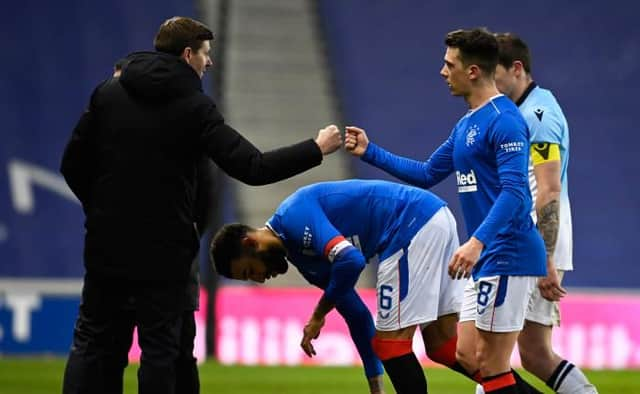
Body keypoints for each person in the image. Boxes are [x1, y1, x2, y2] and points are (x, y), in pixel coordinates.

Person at [60, 16, 342, 394]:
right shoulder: (195, 108)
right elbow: (252, 167)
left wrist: (101, 212)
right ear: (188, 54)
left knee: (94, 344)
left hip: (106, 246)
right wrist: (316, 148)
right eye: (206, 54)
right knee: (161, 351)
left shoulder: (107, 94)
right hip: (164, 253)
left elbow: (72, 165)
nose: (210, 62)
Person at [345, 28, 554, 394]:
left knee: (491, 368)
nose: (443, 72)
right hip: (488, 258)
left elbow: (514, 191)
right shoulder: (467, 124)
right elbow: (427, 172)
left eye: (449, 64)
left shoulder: (504, 120)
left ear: (472, 71)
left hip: (508, 253)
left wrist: (476, 242)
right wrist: (370, 151)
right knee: (468, 355)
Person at [211, 179, 467, 394]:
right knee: (442, 347)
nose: (258, 278)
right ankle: (501, 384)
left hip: (412, 224)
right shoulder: (305, 262)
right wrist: (376, 387)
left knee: (392, 344)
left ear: (249, 244)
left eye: (248, 271)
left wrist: (319, 315)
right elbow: (358, 316)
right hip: (432, 219)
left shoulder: (294, 216)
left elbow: (351, 260)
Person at [469, 32, 596, 394]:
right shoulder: (522, 110)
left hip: (534, 244)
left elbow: (549, 188)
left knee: (492, 353)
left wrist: (546, 257)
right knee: (534, 354)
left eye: (496, 74)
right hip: (527, 241)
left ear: (517, 69)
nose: (490, 83)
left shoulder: (539, 116)